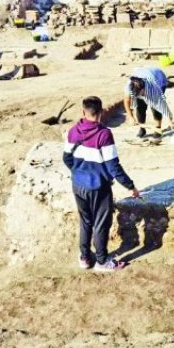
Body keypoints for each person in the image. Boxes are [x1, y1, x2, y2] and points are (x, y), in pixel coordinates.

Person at [63, 96, 140, 272]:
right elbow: (114, 167)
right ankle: (102, 261)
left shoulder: (73, 131)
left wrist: (79, 172)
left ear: (83, 112)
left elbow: (66, 158)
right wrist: (131, 186)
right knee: (101, 223)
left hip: (78, 185)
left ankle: (84, 258)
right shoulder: (104, 134)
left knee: (85, 221)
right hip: (99, 187)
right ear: (101, 112)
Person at [123, 67, 174, 138]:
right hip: (144, 72)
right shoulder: (129, 87)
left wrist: (170, 121)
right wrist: (131, 117)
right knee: (140, 107)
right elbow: (127, 101)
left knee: (155, 108)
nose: (142, 96)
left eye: (142, 94)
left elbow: (162, 105)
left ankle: (158, 129)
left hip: (159, 76)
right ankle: (142, 128)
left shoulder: (154, 86)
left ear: (144, 88)